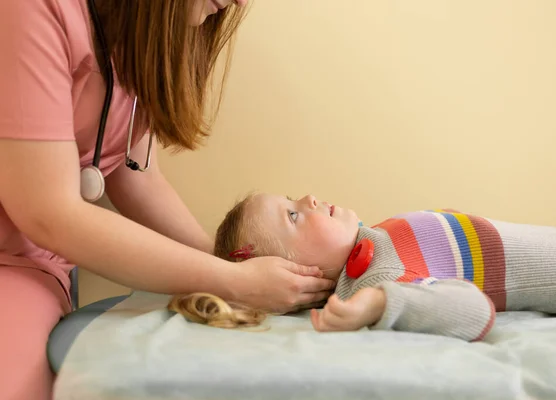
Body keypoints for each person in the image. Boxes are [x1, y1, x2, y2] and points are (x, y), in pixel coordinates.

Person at [0, 2, 335, 399]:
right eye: (292, 211)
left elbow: (135, 175)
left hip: (34, 265)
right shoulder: (34, 12)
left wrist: (226, 266)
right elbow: (48, 213)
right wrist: (233, 279)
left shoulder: (137, 43)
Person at [169, 192, 556, 340]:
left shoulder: (372, 241)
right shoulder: (369, 281)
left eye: (291, 199)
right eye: (293, 216)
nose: (309, 198)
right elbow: (474, 312)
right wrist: (379, 304)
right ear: (297, 274)